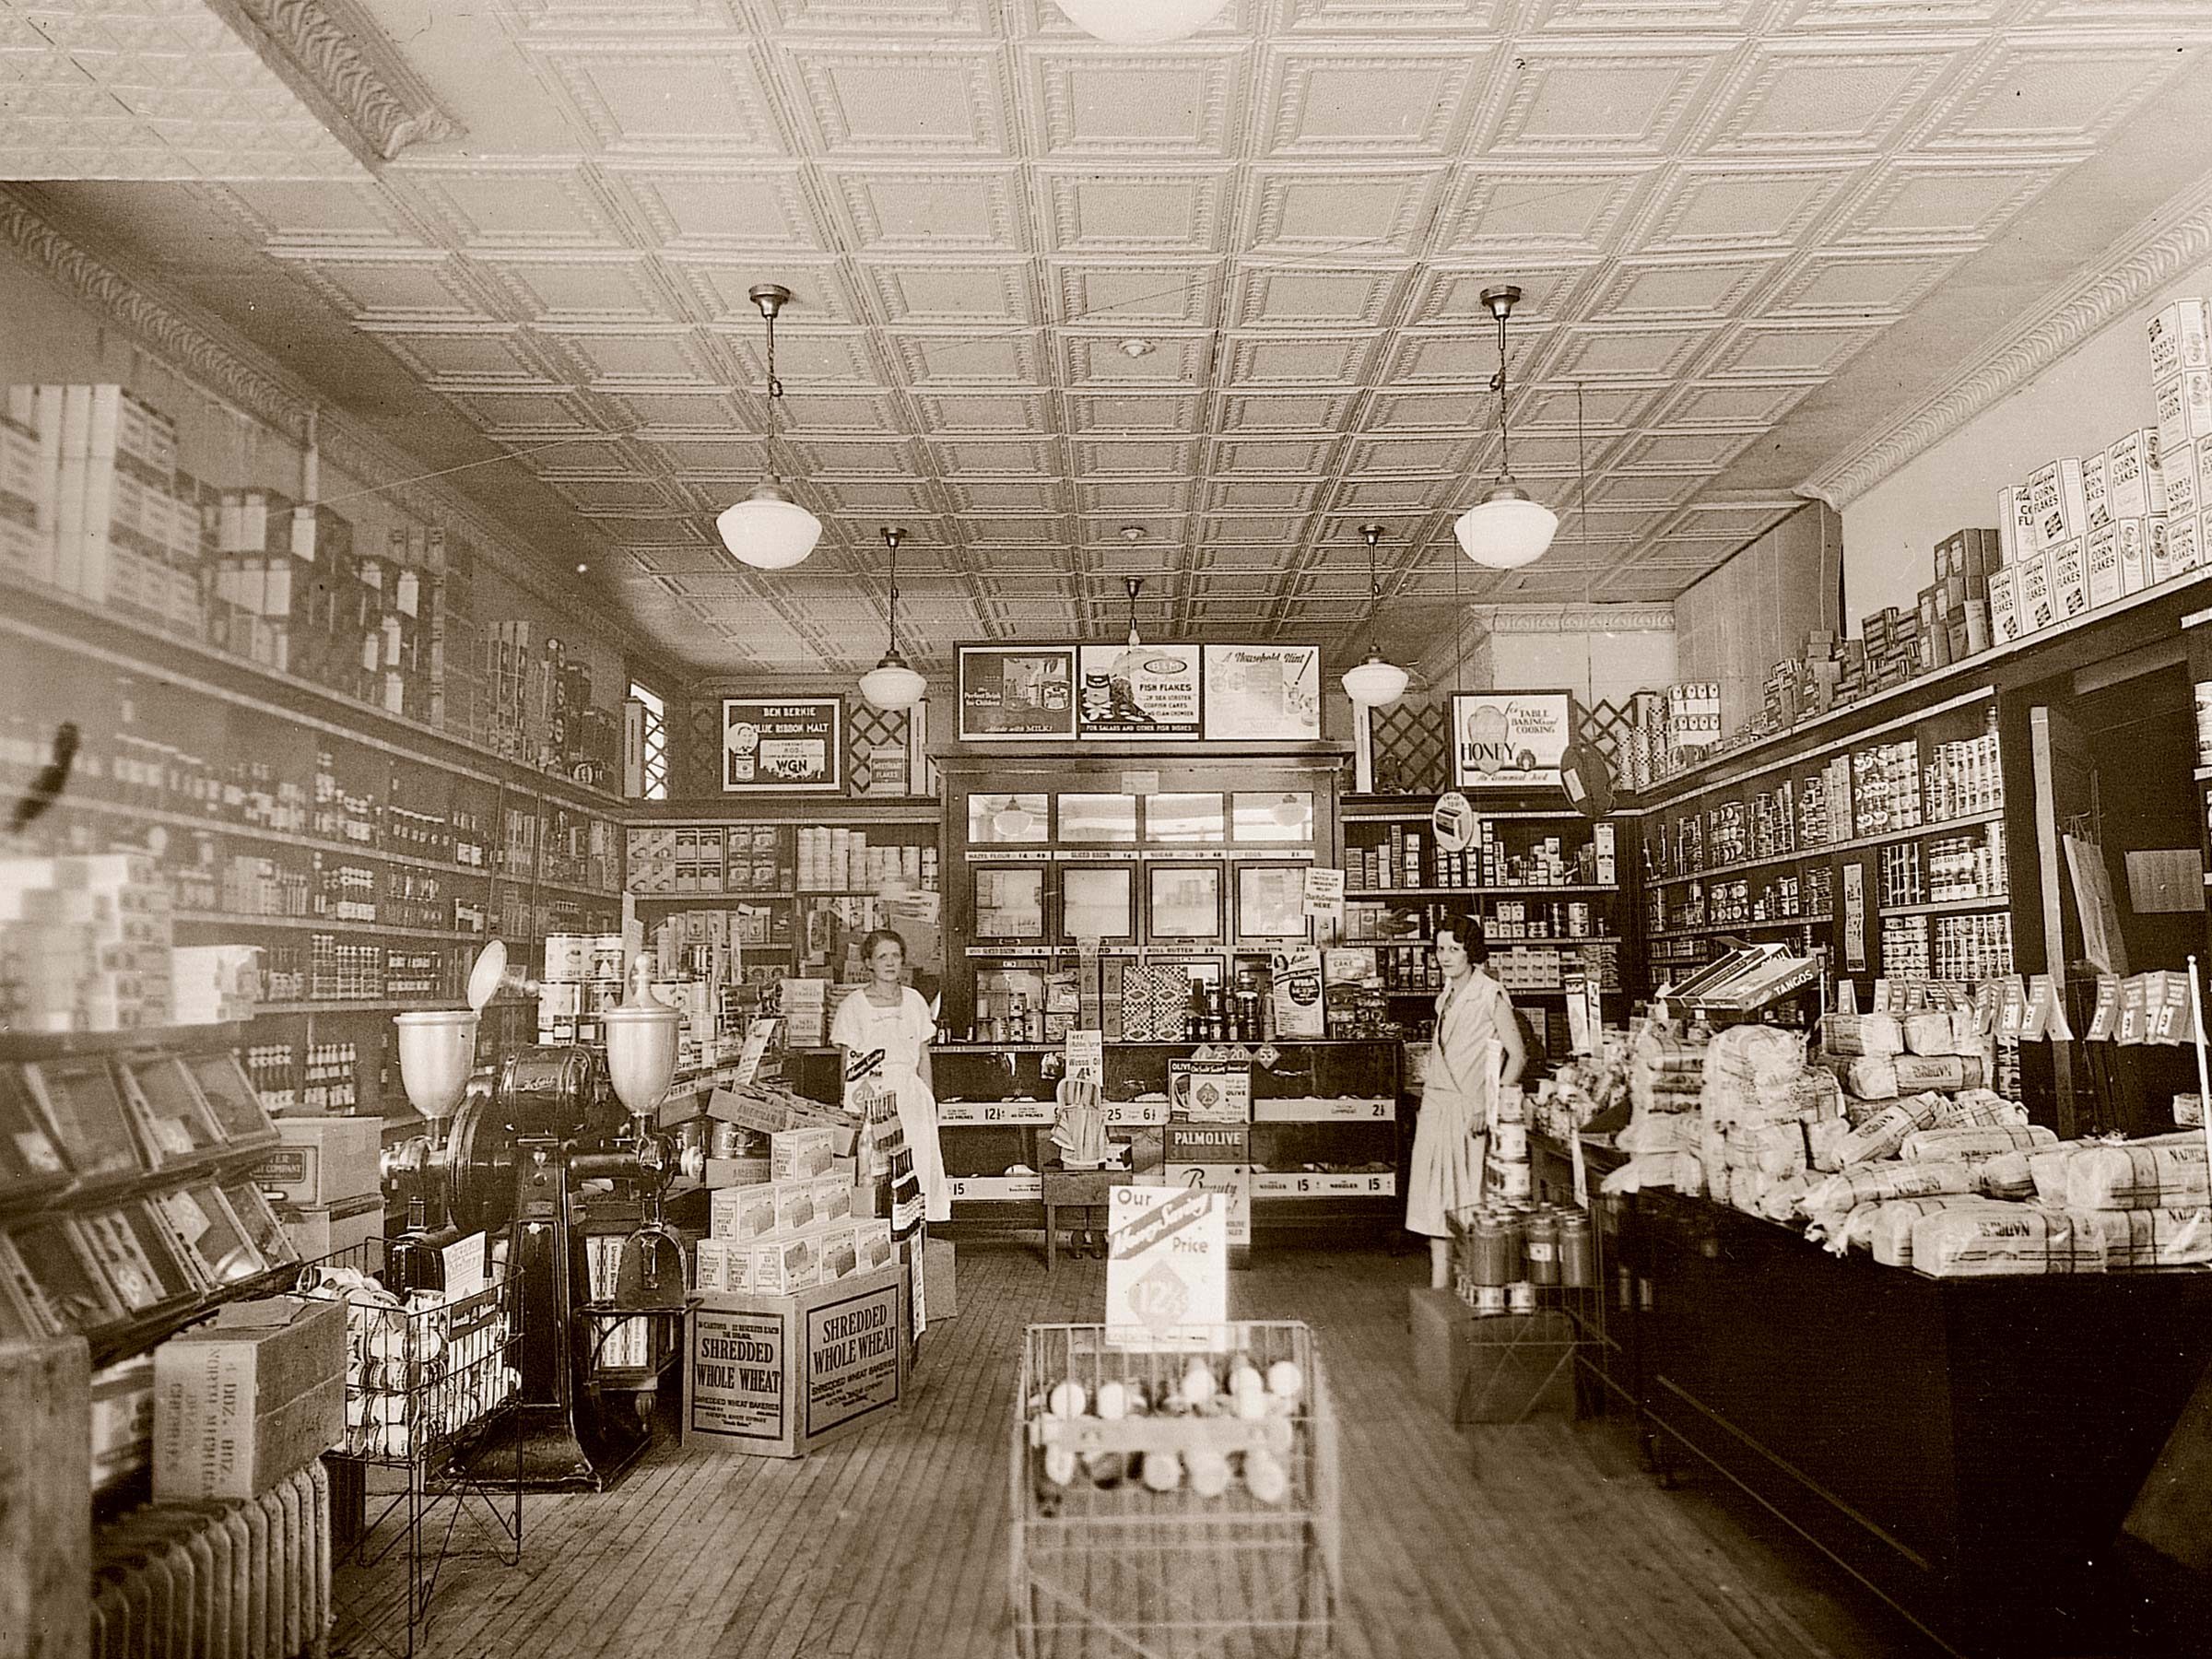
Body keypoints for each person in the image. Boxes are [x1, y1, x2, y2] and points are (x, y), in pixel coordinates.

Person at [1406, 905, 1525, 1290]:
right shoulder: (1446, 996)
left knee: (1467, 1204)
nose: (1445, 957)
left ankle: (1474, 1290)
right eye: (1440, 949)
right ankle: (1439, 1291)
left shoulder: (1490, 994)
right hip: (1438, 1109)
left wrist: (1490, 1106)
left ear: (1471, 951)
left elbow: (1518, 1055)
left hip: (1469, 1114)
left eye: (1454, 949)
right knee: (1433, 1206)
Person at [830, 929, 950, 1225]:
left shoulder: (914, 1001)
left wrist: (929, 1102)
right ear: (868, 963)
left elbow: (923, 1056)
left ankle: (918, 1229)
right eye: (882, 956)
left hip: (912, 1096)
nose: (890, 962)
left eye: (896, 955)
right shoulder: (853, 1006)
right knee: (878, 1168)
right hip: (873, 1097)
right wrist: (851, 1110)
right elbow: (848, 1064)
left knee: (918, 1164)